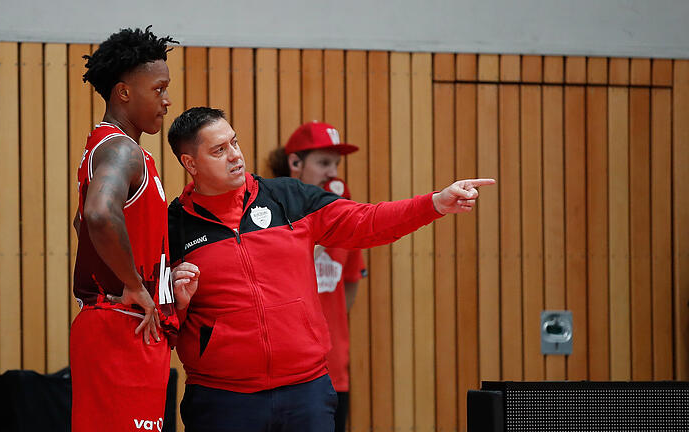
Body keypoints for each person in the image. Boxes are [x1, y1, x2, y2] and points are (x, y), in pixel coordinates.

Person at [166, 107, 494, 432]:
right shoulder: (174, 226)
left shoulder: (289, 198)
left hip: (306, 393)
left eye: (234, 143)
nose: (235, 155)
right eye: (219, 150)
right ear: (190, 163)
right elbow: (160, 321)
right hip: (222, 399)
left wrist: (434, 203)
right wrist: (178, 304)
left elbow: (367, 221)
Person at [70, 27, 199, 432]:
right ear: (124, 93)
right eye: (158, 88)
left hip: (125, 322)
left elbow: (83, 223)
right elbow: (99, 216)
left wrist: (155, 279)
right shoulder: (121, 149)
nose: (167, 99)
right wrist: (134, 283)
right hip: (121, 323)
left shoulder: (114, 147)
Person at [268, 121, 367, 432]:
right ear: (295, 162)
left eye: (336, 164)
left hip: (333, 371)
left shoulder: (343, 218)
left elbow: (350, 282)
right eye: (324, 163)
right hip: (280, 374)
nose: (332, 173)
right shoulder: (265, 216)